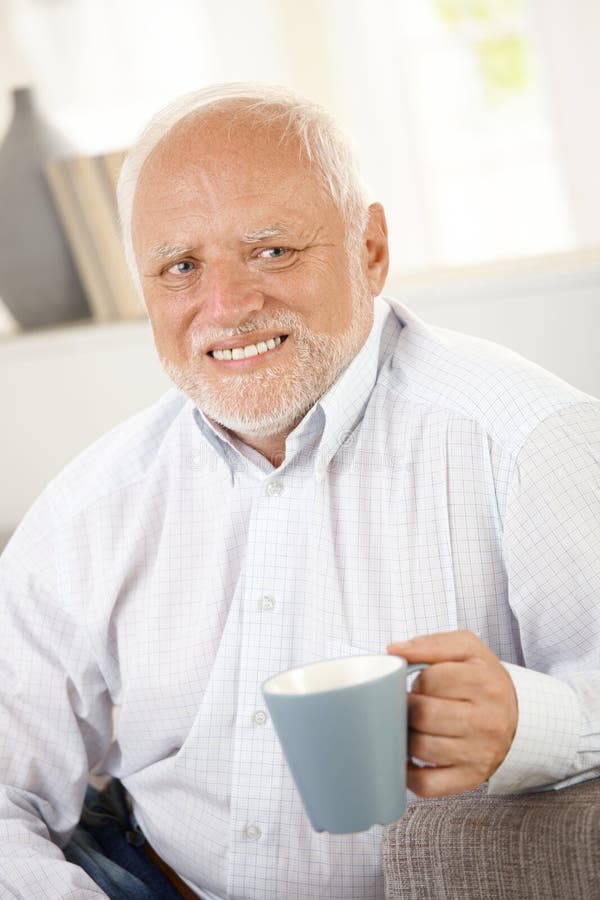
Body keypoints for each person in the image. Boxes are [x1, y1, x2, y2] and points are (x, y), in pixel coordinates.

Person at [0, 82, 598, 900]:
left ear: (371, 249)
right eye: (181, 268)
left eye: (272, 250)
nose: (228, 308)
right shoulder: (92, 510)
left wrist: (531, 721)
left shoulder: (529, 440)